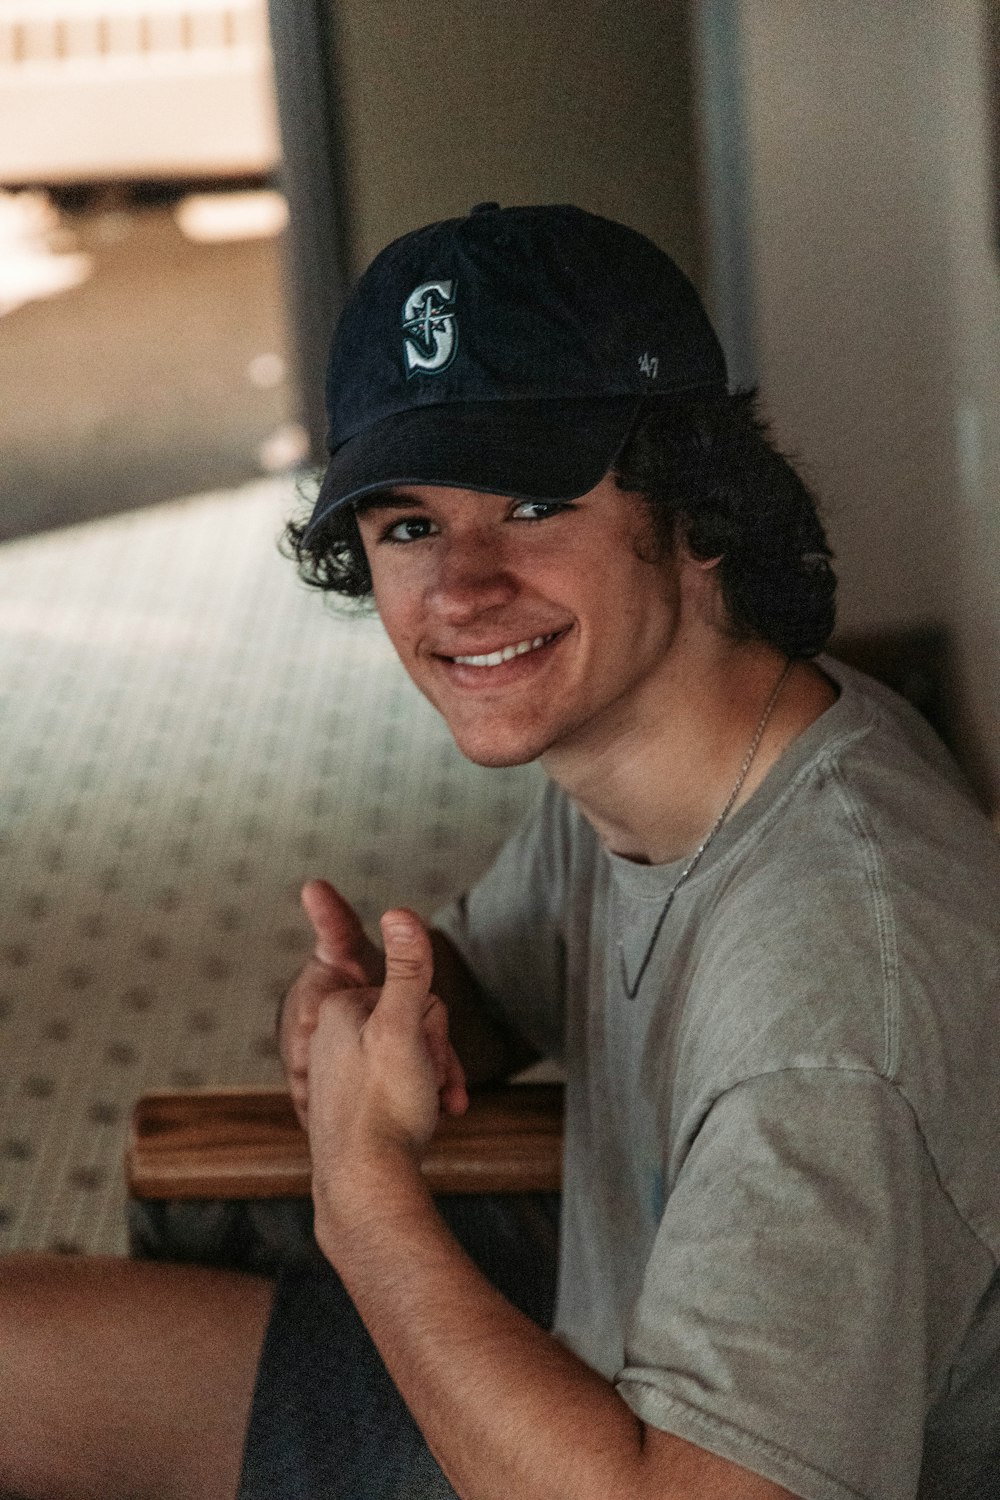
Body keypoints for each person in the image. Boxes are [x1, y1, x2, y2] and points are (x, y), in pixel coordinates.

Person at [1, 202, 998, 1500]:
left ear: (694, 504)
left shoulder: (833, 997)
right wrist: (407, 1021)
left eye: (535, 500)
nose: (463, 589)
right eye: (409, 524)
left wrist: (361, 1197)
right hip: (578, 1365)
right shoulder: (666, 759)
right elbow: (506, 969)